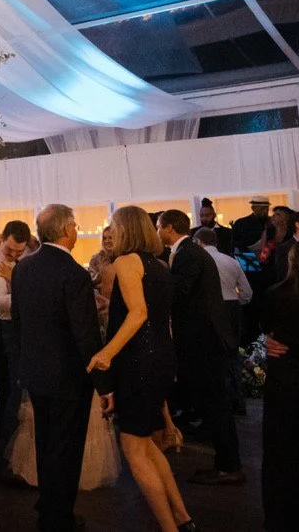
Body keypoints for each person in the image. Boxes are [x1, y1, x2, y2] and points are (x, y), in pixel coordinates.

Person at [88, 206, 194, 532]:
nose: (111, 231)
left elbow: (138, 314)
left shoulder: (126, 261)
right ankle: (182, 519)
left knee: (134, 450)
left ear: (126, 229)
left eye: (115, 226)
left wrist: (106, 353)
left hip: (138, 363)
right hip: (160, 358)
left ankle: (170, 527)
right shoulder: (159, 266)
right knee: (147, 444)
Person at [13, 205, 113, 532]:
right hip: (68, 375)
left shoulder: (24, 268)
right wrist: (104, 383)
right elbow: (85, 334)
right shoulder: (73, 273)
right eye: (75, 226)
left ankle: (49, 506)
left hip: (36, 369)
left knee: (45, 442)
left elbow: (19, 322)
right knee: (66, 448)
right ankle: (59, 517)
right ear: (67, 230)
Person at [157, 209, 243, 485]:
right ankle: (224, 464)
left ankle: (229, 466)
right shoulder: (190, 253)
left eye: (159, 227)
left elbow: (179, 293)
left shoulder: (188, 255)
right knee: (212, 404)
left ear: (169, 228)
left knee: (215, 404)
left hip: (204, 343)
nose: (157, 232)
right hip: (205, 341)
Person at [0, 219, 32, 483]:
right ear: (2, 238)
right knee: (15, 390)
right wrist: (29, 288)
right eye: (10, 249)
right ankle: (6, 453)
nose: (13, 255)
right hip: (9, 329)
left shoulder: (28, 254)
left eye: (18, 251)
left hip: (29, 328)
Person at [261, 243, 299, 531]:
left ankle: (279, 517)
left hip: (284, 380)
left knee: (280, 452)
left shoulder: (276, 294)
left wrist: (271, 339)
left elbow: (266, 326)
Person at [196, 227, 253, 415]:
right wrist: (236, 302)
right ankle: (239, 401)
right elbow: (247, 292)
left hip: (210, 310)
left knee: (213, 358)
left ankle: (220, 403)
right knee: (233, 355)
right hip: (233, 308)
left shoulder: (200, 261)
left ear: (198, 242)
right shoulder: (231, 261)